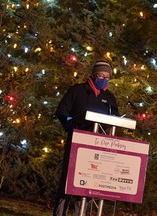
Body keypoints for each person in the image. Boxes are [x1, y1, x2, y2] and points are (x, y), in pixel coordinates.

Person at [53, 60, 119, 216]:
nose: (104, 79)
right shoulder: (77, 91)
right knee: (68, 181)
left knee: (90, 182)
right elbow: (62, 112)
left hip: (97, 144)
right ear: (93, 75)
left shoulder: (109, 98)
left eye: (107, 77)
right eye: (100, 75)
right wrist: (72, 126)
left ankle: (79, 213)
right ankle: (60, 213)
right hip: (77, 142)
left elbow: (115, 118)